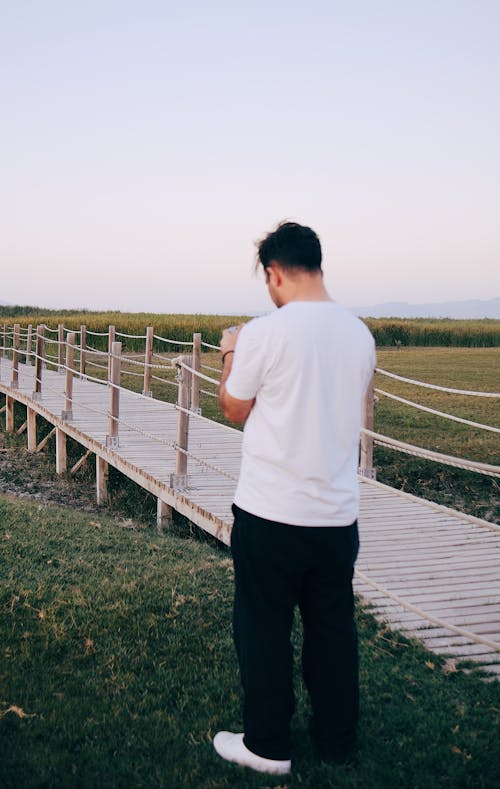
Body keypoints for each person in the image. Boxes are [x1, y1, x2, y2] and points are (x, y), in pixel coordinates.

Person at [213, 221, 376, 776]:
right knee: (332, 628)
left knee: (263, 628)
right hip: (336, 514)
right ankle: (336, 742)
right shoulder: (359, 335)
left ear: (274, 273)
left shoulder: (265, 332)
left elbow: (235, 407)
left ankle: (267, 745)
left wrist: (231, 353)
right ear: (318, 265)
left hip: (271, 511)